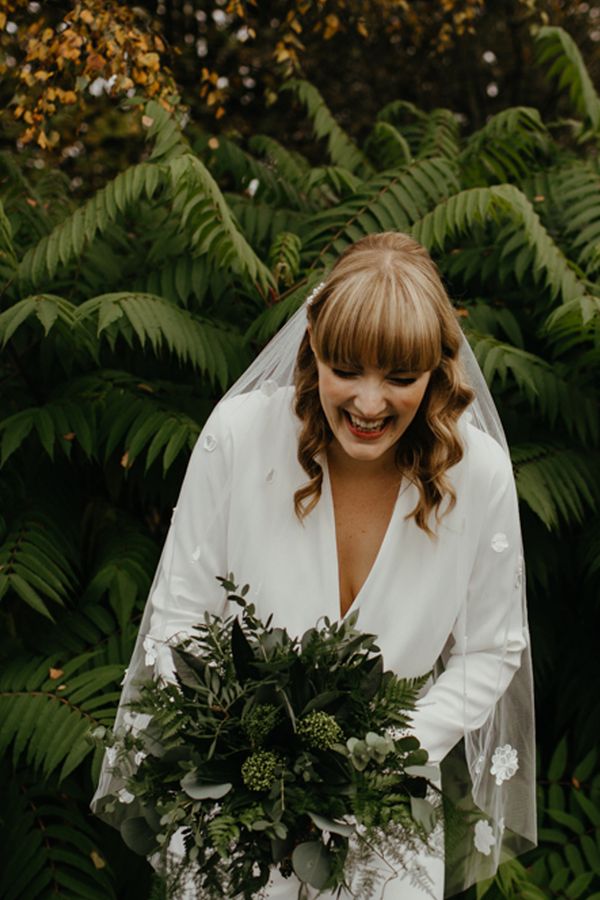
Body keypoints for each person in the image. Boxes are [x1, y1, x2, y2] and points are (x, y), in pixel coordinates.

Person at [92, 232, 536, 898]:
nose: (367, 402)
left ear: (437, 372)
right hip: (239, 808)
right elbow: (180, 615)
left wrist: (383, 754)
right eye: (347, 368)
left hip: (387, 817)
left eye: (400, 377)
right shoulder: (240, 437)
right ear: (313, 352)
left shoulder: (479, 475)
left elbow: (491, 650)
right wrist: (241, 746)